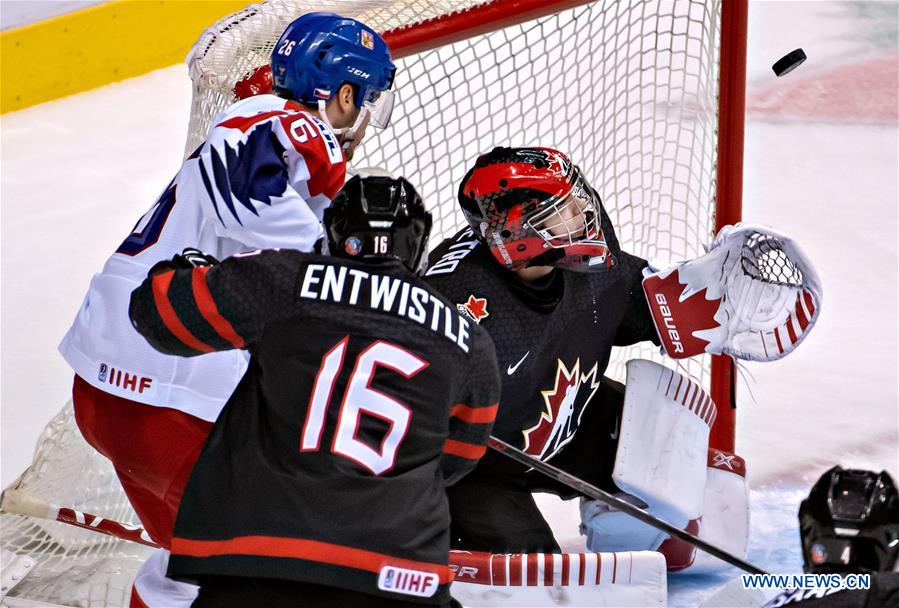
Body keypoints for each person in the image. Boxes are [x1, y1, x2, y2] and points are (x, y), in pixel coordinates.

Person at [57, 12, 396, 607]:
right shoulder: (281, 122)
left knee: (185, 572)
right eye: (365, 100)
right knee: (280, 570)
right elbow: (248, 188)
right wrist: (331, 265)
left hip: (118, 390)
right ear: (343, 95)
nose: (366, 117)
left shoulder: (271, 132)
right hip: (168, 395)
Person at [424, 146, 822, 557]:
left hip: (567, 419)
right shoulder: (459, 307)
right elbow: (413, 426)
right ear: (519, 234)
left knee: (704, 500)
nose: (583, 212)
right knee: (537, 578)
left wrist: (689, 301)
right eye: (562, 211)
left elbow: (615, 299)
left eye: (577, 199)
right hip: (477, 471)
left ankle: (621, 531)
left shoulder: (584, 253)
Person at [128, 173, 501, 607]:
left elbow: (159, 317)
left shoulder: (284, 279)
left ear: (332, 236)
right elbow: (458, 457)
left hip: (258, 557)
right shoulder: (470, 341)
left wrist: (182, 269)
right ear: (417, 248)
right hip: (398, 572)